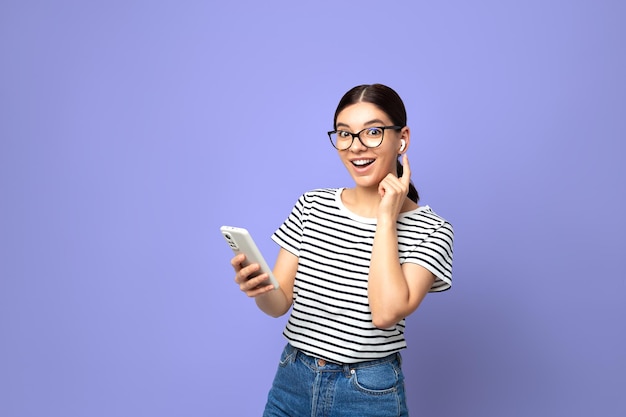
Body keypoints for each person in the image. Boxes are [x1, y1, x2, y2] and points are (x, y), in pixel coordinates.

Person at [231, 83, 454, 416]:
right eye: (344, 134)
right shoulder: (311, 205)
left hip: (367, 392)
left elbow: (385, 313)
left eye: (373, 132)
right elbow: (278, 305)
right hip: (293, 380)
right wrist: (259, 288)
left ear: (402, 138)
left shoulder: (432, 230)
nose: (356, 147)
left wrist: (386, 218)